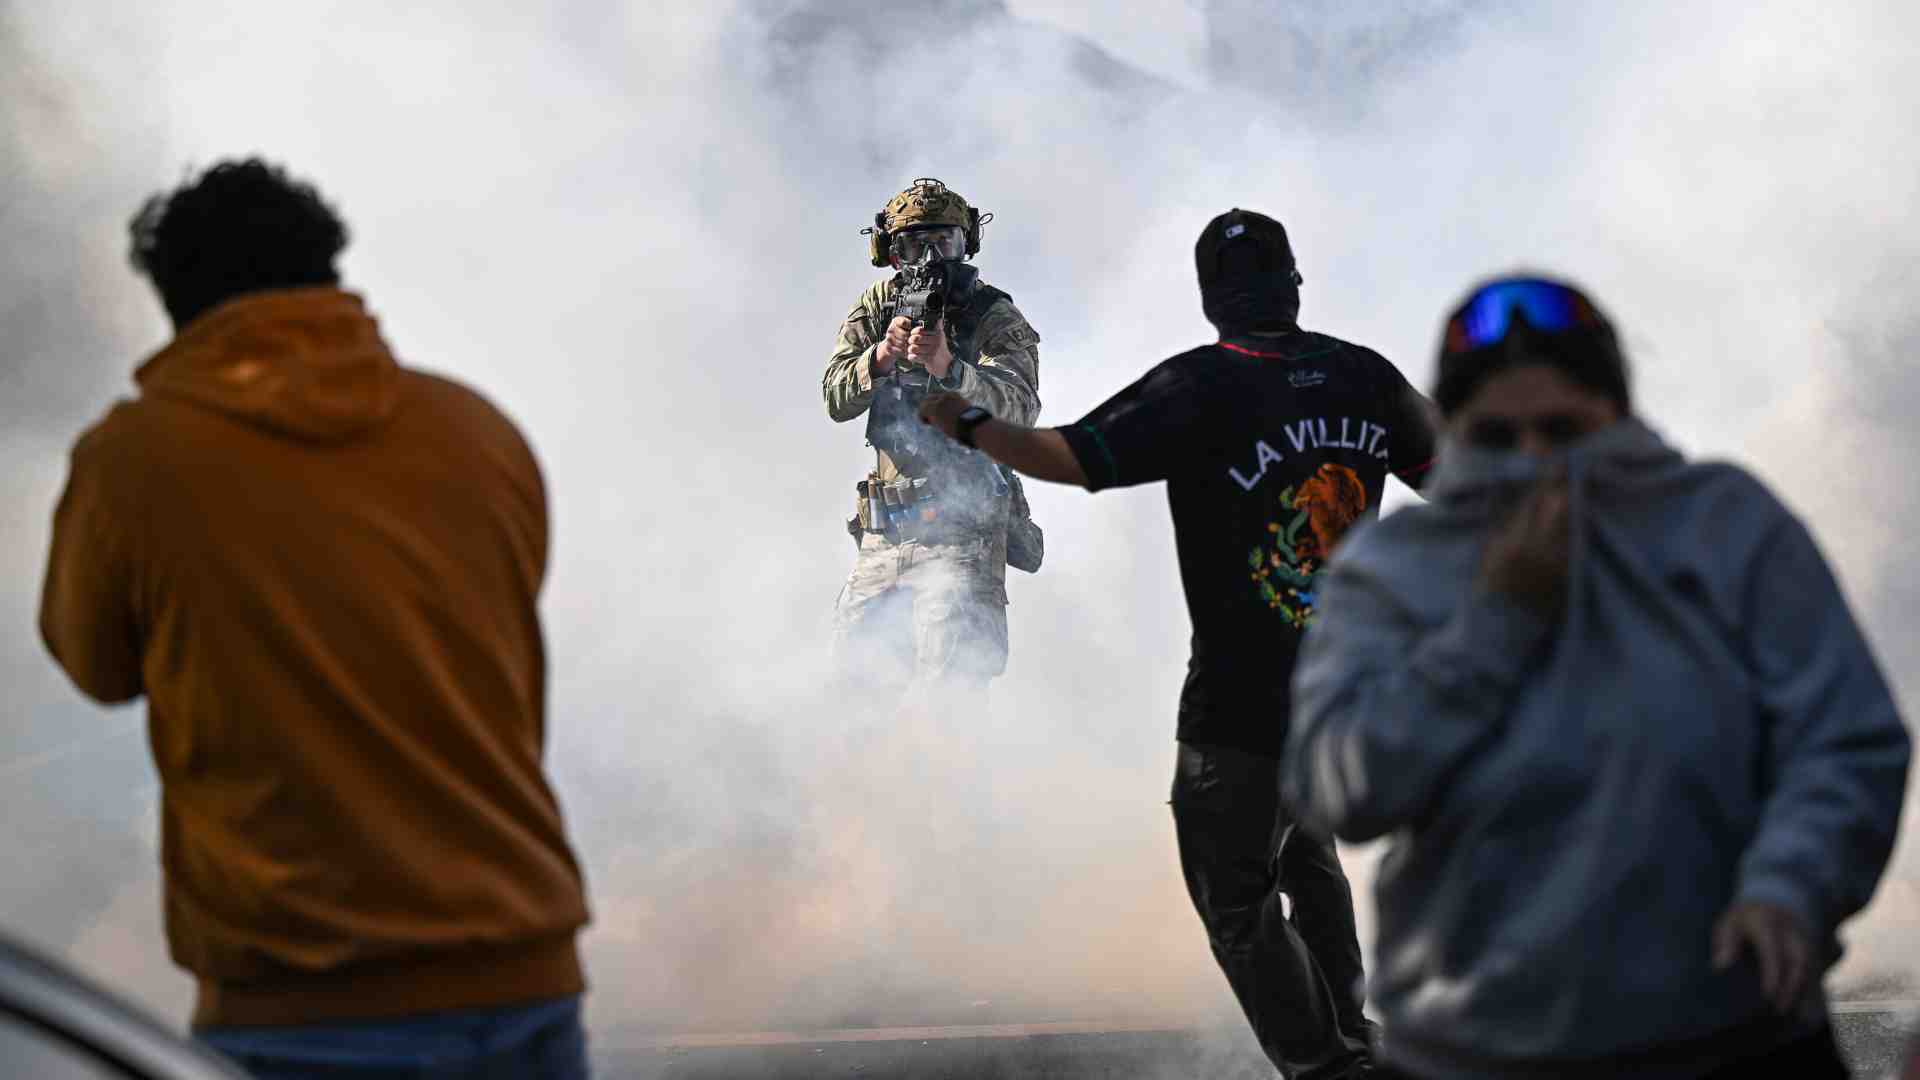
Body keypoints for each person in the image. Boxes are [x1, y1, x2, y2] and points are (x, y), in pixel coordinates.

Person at [38, 159, 593, 1079]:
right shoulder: (475, 431)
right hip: (524, 973)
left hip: (299, 1000)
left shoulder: (133, 461)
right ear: (329, 273)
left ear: (178, 303)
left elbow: (96, 666)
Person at [1281, 274, 1912, 1080]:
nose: (1538, 460)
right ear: (1458, 434)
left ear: (1616, 414)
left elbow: (1844, 739)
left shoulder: (1724, 525)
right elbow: (1337, 785)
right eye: (1502, 436)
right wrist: (1496, 621)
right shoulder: (1395, 567)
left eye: (1564, 428)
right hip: (1471, 1051)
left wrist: (1793, 883)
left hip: (1739, 1036)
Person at [920, 208, 1438, 1078]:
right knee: (1307, 858)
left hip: (1239, 707)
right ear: (1295, 285)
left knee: (1237, 898)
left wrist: (963, 421)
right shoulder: (1365, 379)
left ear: (1211, 302)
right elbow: (1471, 482)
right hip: (1343, 698)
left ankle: (1329, 1065)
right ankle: (1355, 1036)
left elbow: (1071, 456)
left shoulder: (1202, 385)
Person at [823, 178, 1044, 719]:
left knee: (952, 699)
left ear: (965, 243)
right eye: (913, 244)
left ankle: (951, 802)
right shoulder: (877, 307)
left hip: (962, 533)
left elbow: (1021, 409)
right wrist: (877, 359)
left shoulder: (991, 314)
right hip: (887, 535)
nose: (928, 257)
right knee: (852, 692)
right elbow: (834, 394)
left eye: (942, 241)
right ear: (890, 252)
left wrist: (951, 369)